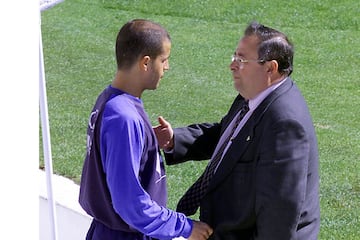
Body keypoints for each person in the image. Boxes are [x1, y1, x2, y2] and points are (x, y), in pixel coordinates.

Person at [154, 21, 320, 239]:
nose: (232, 65)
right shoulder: (254, 94)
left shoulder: (285, 124)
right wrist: (176, 139)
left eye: (241, 60)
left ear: (271, 68)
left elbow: (280, 211)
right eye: (234, 57)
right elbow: (228, 136)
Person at [78, 19, 213, 240]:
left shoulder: (110, 99)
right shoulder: (123, 117)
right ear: (146, 63)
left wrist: (146, 145)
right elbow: (129, 202)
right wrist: (185, 227)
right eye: (164, 60)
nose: (166, 67)